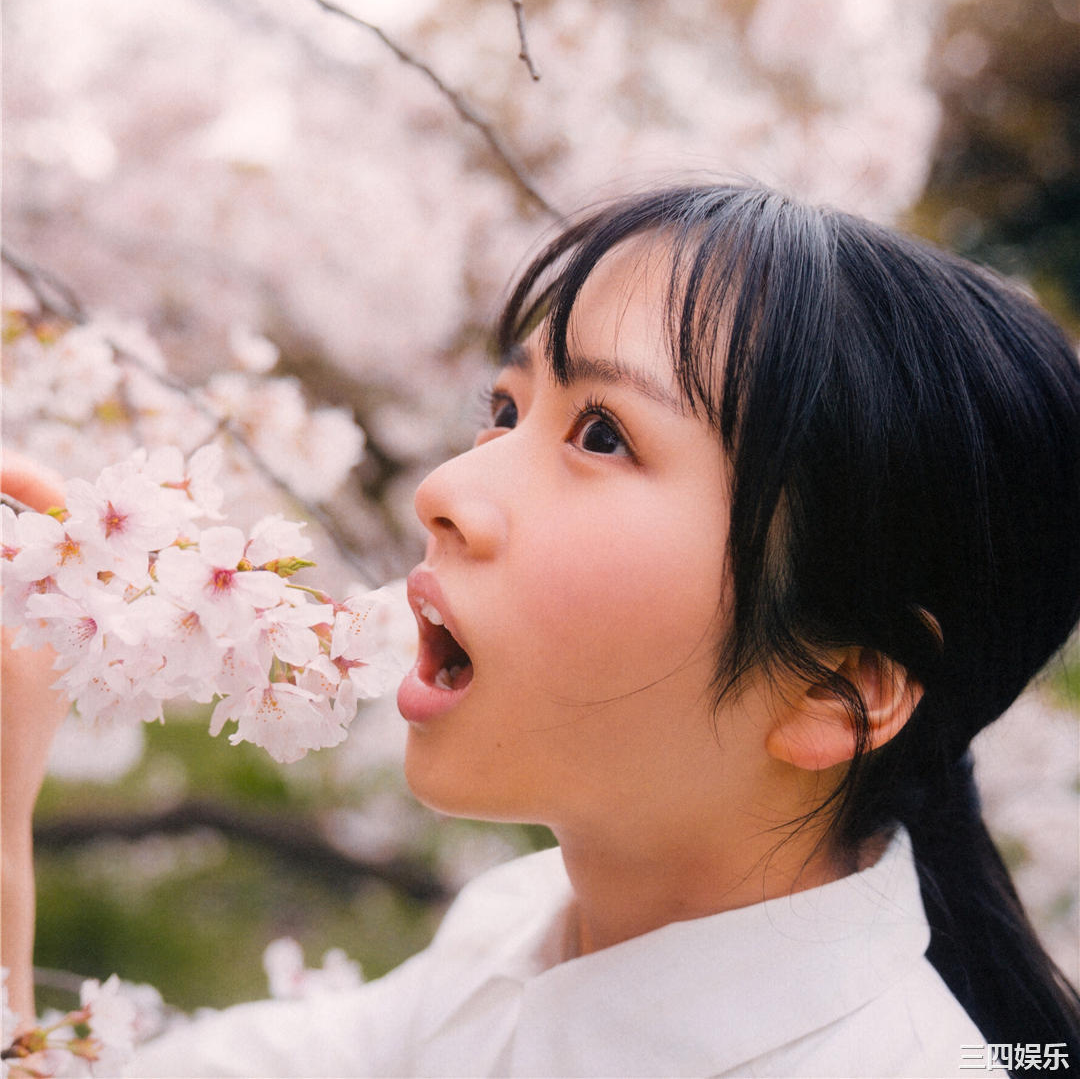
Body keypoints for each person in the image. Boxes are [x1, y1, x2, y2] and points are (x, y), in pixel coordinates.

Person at [3, 180, 1079, 1078]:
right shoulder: (523, 932)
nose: (443, 488)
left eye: (603, 434)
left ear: (836, 685)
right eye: (508, 410)